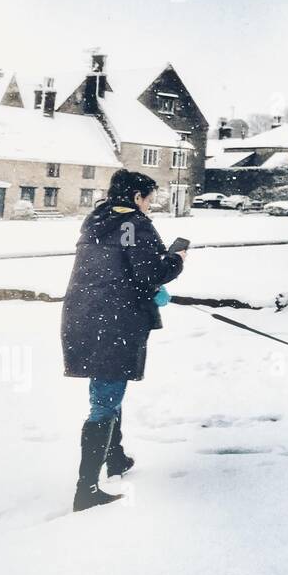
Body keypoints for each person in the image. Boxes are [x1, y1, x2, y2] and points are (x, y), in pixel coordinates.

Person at [61, 169, 186, 511]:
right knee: (105, 397)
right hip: (115, 321)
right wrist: (176, 260)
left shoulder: (95, 219)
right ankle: (86, 490)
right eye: (148, 199)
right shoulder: (134, 223)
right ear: (135, 197)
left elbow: (118, 265)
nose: (150, 206)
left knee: (106, 387)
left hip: (85, 315)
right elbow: (151, 273)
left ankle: (115, 458)